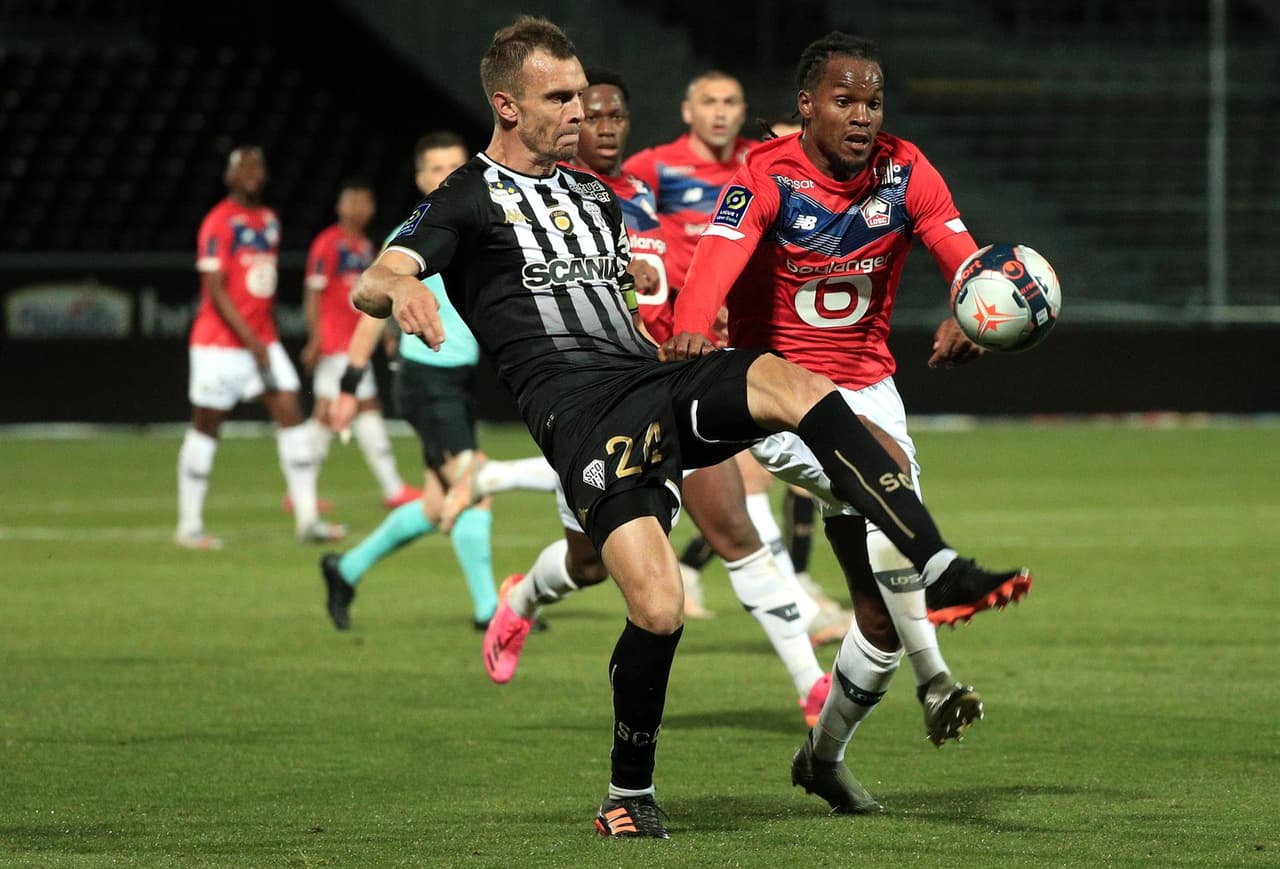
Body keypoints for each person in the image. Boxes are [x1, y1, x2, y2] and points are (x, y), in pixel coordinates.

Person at [352, 16, 1029, 839]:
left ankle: (940, 562)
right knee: (661, 604)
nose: (581, 110)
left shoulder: (595, 196)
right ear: (506, 104)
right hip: (584, 418)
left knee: (788, 378)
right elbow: (380, 274)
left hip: (651, 379)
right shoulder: (467, 195)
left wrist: (664, 301)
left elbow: (630, 298)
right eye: (559, 97)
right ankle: (626, 794)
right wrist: (404, 290)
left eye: (581, 94)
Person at [666, 32, 1033, 815]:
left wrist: (974, 307)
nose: (863, 114)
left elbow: (959, 253)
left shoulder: (906, 169)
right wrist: (696, 322)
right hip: (778, 393)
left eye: (872, 101)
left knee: (876, 622)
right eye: (844, 99)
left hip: (870, 386)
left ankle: (824, 759)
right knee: (885, 467)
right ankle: (941, 619)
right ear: (806, 107)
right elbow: (715, 261)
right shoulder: (766, 175)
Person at [480, 66, 832, 730]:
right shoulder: (546, 200)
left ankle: (811, 684)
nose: (606, 129)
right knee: (585, 564)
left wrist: (704, 312)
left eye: (617, 117)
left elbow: (673, 270)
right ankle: (522, 598)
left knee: (734, 530)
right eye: (594, 115)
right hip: (593, 404)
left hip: (668, 385)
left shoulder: (640, 192)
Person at [320, 132, 558, 632]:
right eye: (436, 167)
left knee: (435, 503)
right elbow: (371, 312)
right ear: (420, 177)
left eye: (457, 164)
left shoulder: (467, 225)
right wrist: (348, 386)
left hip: (454, 381)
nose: (448, 173)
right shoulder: (411, 238)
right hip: (427, 381)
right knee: (475, 488)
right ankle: (487, 611)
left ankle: (345, 569)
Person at [176, 145, 345, 548]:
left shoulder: (268, 221)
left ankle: (306, 520)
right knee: (206, 427)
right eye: (243, 167)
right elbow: (214, 289)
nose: (253, 172)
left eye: (258, 166)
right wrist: (250, 339)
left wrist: (262, 338)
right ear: (229, 177)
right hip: (219, 345)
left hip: (262, 343)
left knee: (291, 415)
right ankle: (189, 525)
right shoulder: (218, 222)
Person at [301, 179, 420, 510]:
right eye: (355, 202)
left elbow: (374, 299)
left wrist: (386, 334)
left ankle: (304, 491)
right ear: (341, 206)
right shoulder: (328, 244)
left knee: (344, 412)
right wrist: (315, 338)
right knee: (344, 412)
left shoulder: (366, 247)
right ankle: (389, 488)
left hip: (355, 342)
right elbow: (313, 292)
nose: (362, 209)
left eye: (367, 202)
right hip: (336, 343)